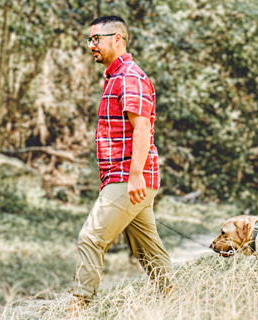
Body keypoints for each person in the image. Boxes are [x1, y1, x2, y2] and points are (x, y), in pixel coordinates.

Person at [69, 16, 173, 308]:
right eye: (89, 40)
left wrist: (135, 175)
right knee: (147, 250)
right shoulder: (115, 77)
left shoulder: (129, 76)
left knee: (90, 238)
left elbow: (141, 128)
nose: (92, 46)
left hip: (128, 177)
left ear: (118, 39)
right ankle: (175, 300)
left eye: (96, 39)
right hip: (125, 177)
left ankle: (77, 308)